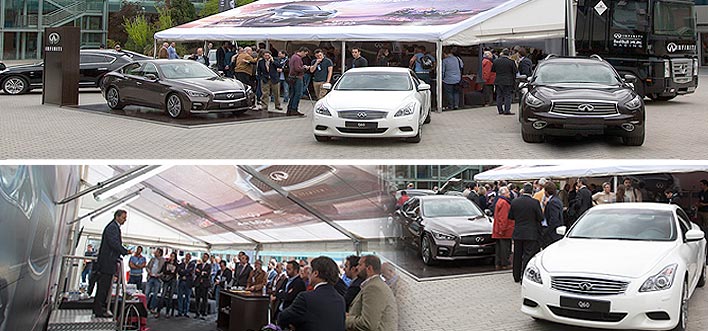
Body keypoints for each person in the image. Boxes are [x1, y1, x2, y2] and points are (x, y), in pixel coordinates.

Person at [278, 256, 346, 331]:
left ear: (316, 273)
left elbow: (283, 318)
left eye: (310, 271)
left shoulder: (306, 298)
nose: (308, 275)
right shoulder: (340, 299)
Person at [93, 210, 132, 318]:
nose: (125, 220)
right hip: (107, 262)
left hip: (109, 261)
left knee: (105, 287)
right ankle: (99, 309)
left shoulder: (114, 227)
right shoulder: (112, 227)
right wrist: (124, 251)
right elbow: (113, 243)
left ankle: (100, 307)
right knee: (103, 287)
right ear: (117, 217)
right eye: (123, 217)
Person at [346, 255, 398, 331]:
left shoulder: (373, 288)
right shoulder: (373, 285)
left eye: (360, 265)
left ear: (369, 268)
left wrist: (345, 319)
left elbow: (367, 324)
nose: (357, 268)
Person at [508, 183, 543, 283]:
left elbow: (510, 216)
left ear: (523, 190)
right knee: (528, 255)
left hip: (518, 232)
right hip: (531, 233)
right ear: (531, 191)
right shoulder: (535, 202)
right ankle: (525, 276)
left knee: (517, 255)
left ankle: (516, 276)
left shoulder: (515, 202)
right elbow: (540, 217)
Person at [493, 187, 514, 270]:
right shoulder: (504, 203)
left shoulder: (499, 201)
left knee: (499, 248)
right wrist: (502, 229)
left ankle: (498, 263)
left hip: (498, 229)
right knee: (505, 248)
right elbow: (503, 218)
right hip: (504, 230)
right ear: (504, 193)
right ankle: (505, 263)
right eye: (508, 192)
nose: (509, 194)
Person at [491, 48, 517, 115]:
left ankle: (500, 110)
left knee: (499, 95)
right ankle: (507, 110)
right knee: (507, 96)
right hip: (508, 81)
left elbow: (493, 70)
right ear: (508, 54)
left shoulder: (496, 61)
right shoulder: (511, 62)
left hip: (498, 80)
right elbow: (515, 71)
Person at [287, 47, 310, 116]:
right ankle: (294, 109)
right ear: (302, 51)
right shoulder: (297, 58)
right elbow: (297, 68)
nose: (305, 55)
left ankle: (290, 109)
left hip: (292, 77)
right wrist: (304, 68)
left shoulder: (293, 57)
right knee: (298, 93)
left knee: (293, 93)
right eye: (305, 54)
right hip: (297, 77)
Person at [156, 251, 178, 318]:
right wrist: (170, 271)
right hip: (166, 280)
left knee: (170, 296)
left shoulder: (176, 264)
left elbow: (175, 273)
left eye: (173, 256)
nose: (172, 257)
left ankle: (167, 312)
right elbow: (164, 271)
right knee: (163, 295)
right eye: (171, 256)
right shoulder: (166, 263)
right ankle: (158, 311)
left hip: (173, 280)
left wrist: (171, 271)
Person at [542, 182, 564, 248]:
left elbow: (554, 218)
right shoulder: (556, 199)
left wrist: (547, 231)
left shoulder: (553, 202)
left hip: (552, 235)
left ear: (546, 191)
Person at [145, 248, 165, 313]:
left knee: (155, 294)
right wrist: (149, 272)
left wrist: (159, 275)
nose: (155, 252)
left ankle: (152, 308)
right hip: (150, 277)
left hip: (157, 278)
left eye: (156, 252)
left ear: (159, 253)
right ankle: (145, 307)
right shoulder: (152, 259)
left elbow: (164, 271)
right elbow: (147, 267)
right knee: (146, 293)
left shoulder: (163, 260)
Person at [176, 253, 195, 317]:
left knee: (187, 297)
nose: (187, 258)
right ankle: (180, 311)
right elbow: (179, 271)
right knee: (180, 297)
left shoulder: (192, 264)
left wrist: (183, 272)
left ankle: (186, 312)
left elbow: (190, 271)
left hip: (188, 282)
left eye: (189, 257)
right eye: (186, 256)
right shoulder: (181, 264)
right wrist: (185, 272)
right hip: (181, 281)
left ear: (190, 258)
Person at [193, 253, 211, 320]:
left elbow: (207, 274)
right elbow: (196, 273)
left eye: (206, 257)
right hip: (198, 283)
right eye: (204, 257)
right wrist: (202, 272)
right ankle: (197, 313)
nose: (204, 258)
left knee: (204, 299)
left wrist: (200, 272)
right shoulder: (198, 265)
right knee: (197, 299)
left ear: (207, 258)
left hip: (205, 284)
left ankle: (204, 313)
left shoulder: (209, 266)